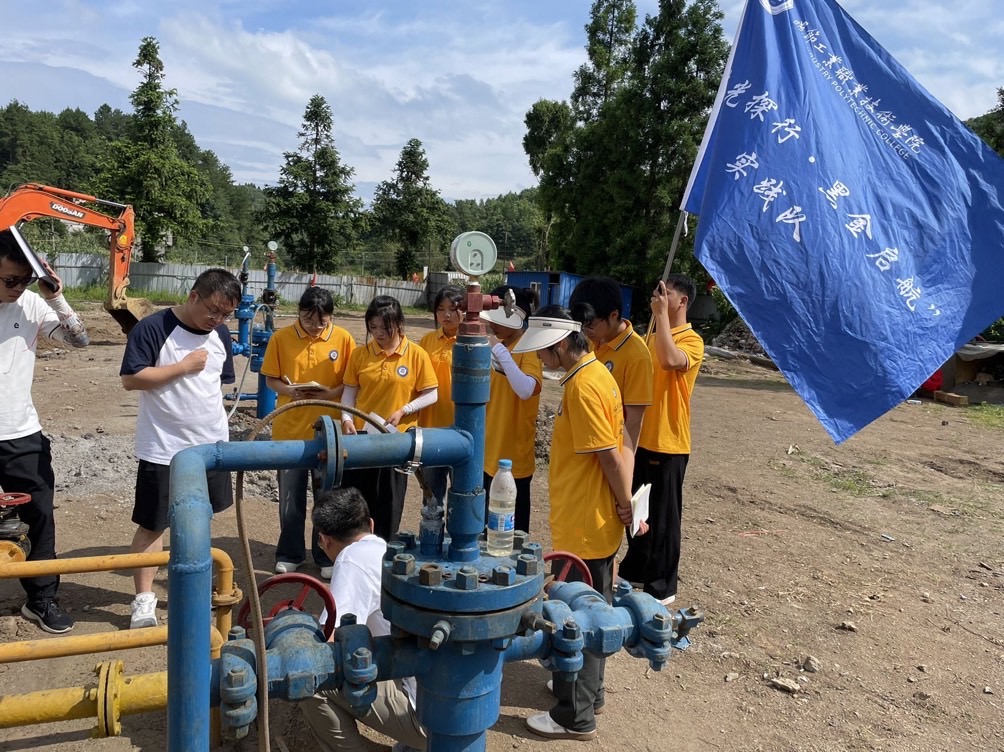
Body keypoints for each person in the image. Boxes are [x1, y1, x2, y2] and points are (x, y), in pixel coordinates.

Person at [512, 305, 633, 742]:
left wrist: (625, 503)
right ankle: (588, 692)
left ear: (562, 344)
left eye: (543, 351)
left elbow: (609, 456)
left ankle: (575, 715)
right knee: (593, 608)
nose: (539, 359)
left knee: (579, 615)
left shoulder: (584, 387)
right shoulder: (596, 374)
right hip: (589, 519)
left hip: (586, 523)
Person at [120, 268, 241, 629]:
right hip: (164, 447)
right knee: (153, 524)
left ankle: (193, 590)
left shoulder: (221, 334)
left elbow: (218, 384)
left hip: (210, 446)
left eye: (226, 314)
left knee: (200, 519)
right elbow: (131, 379)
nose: (217, 320)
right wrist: (182, 367)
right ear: (193, 296)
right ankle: (144, 600)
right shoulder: (153, 328)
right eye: (213, 310)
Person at [0, 229, 89, 633]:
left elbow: (80, 340)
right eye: (10, 280)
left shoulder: (32, 304)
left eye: (24, 280)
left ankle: (41, 599)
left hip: (21, 434)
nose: (18, 287)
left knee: (38, 518)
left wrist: (56, 297)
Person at [300, 487, 426, 752]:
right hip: (457, 710)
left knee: (308, 677)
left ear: (324, 540)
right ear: (370, 524)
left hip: (427, 720)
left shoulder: (351, 560)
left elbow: (329, 642)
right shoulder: (387, 551)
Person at [618, 275, 704, 605]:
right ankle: (636, 569)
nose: (659, 298)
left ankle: (662, 586)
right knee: (638, 512)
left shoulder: (691, 340)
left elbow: (670, 361)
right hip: (639, 438)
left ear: (682, 301)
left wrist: (661, 318)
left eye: (667, 294)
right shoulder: (651, 336)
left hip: (669, 441)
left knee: (665, 519)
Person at [261, 287, 355, 579]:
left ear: (331, 317)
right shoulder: (281, 338)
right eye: (308, 319)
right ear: (299, 313)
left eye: (321, 321)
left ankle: (325, 555)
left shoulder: (344, 339)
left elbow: (351, 382)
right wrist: (289, 390)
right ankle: (290, 553)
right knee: (291, 497)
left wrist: (329, 393)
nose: (314, 326)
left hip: (329, 431)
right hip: (290, 429)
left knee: (327, 497)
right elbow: (271, 379)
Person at [339, 295, 437, 540]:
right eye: (373, 327)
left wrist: (404, 410)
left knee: (389, 503)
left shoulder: (416, 354)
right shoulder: (360, 354)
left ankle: (384, 551)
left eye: (385, 328)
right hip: (361, 439)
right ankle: (355, 549)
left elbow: (431, 393)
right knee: (356, 503)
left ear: (399, 324)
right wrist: (347, 418)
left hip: (397, 442)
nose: (378, 333)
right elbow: (349, 392)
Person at [480, 286, 541, 534]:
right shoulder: (503, 346)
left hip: (514, 460)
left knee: (512, 533)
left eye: (499, 318)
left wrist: (499, 351)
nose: (493, 325)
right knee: (487, 530)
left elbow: (527, 388)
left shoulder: (529, 348)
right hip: (489, 453)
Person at [568, 276, 653, 453]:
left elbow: (634, 421)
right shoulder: (591, 342)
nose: (585, 331)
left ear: (613, 315)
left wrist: (624, 464)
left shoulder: (637, 355)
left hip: (610, 451)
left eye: (590, 325)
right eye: (581, 325)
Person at [417, 285, 464, 505]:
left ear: (464, 311)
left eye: (453, 309)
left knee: (462, 495)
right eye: (441, 309)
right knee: (432, 497)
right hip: (431, 430)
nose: (447, 315)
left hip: (461, 430)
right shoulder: (427, 341)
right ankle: (431, 528)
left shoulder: (471, 341)